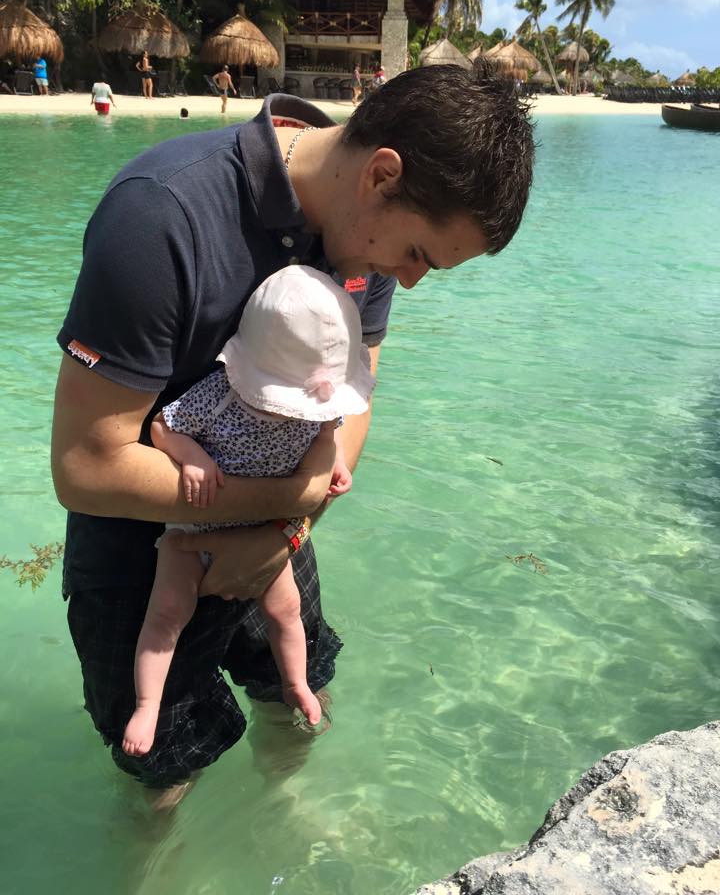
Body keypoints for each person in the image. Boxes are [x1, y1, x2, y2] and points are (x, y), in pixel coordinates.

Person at [52, 61, 534, 794]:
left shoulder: (361, 239)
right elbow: (85, 465)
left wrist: (285, 530)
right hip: (139, 545)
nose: (407, 282)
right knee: (163, 765)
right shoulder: (162, 216)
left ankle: (295, 820)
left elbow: (356, 390)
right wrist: (287, 504)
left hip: (280, 525)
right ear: (381, 174)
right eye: (418, 255)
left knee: (300, 691)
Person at [122, 265, 374, 756]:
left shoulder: (318, 409)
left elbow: (328, 433)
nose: (297, 413)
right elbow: (161, 427)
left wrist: (336, 461)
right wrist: (191, 456)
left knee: (287, 612)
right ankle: (148, 704)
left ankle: (296, 683)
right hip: (191, 531)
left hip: (264, 530)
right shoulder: (218, 396)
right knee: (167, 613)